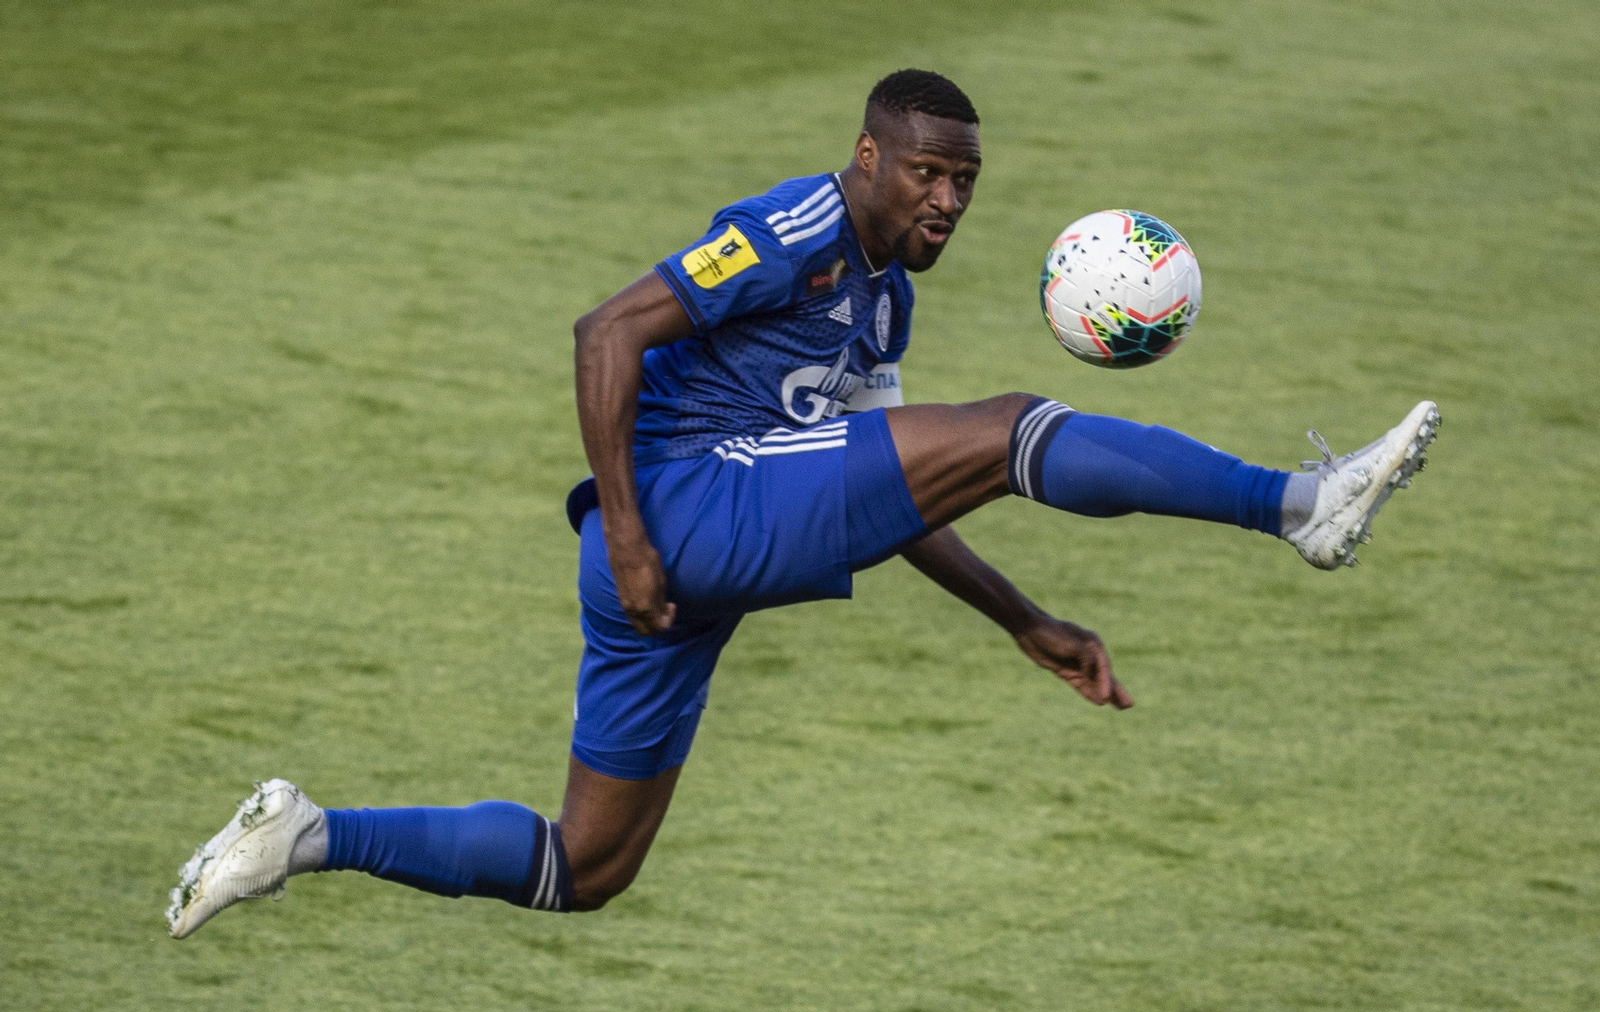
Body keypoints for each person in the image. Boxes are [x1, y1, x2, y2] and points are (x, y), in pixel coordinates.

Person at [166, 69, 1438, 937]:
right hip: (674, 510)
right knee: (1004, 428)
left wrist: (1022, 618)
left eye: (966, 185)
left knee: (586, 867)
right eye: (928, 172)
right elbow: (604, 331)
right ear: (870, 157)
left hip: (680, 555)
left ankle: (311, 835)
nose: (946, 199)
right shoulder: (799, 223)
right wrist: (626, 525)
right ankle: (1296, 504)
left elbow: (878, 484)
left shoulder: (884, 302)